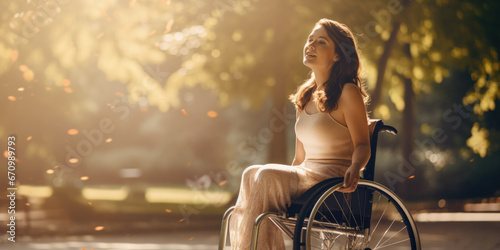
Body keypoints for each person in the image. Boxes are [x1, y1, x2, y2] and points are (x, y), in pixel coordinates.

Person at [228, 18, 372, 250]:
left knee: (265, 174)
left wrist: (355, 168)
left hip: (332, 180)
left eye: (321, 42)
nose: (310, 45)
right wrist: (287, 176)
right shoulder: (306, 96)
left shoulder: (348, 92)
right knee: (250, 172)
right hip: (306, 175)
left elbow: (363, 144)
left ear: (337, 55)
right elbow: (299, 158)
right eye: (310, 40)